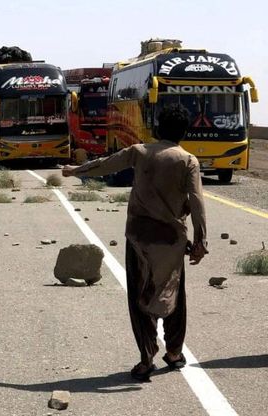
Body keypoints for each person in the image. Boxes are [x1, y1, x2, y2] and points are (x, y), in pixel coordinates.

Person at [62, 104, 208, 382]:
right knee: (174, 294)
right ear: (184, 132)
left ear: (156, 129)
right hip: (171, 241)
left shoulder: (139, 152)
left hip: (139, 237)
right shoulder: (188, 160)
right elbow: (198, 203)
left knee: (139, 296)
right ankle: (174, 353)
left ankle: (146, 357)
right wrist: (200, 240)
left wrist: (74, 170)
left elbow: (105, 164)